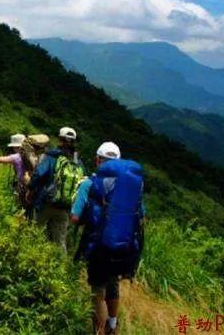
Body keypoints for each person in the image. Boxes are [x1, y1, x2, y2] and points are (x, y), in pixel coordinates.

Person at [70, 142, 145, 335]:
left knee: (97, 290)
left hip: (98, 247)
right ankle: (113, 325)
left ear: (98, 160)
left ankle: (100, 331)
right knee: (113, 284)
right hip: (124, 249)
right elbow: (142, 217)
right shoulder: (130, 190)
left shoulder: (89, 184)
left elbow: (75, 217)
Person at [27, 127, 84, 252]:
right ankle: (60, 268)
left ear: (59, 139)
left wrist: (30, 189)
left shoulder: (52, 156)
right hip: (65, 206)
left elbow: (39, 174)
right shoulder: (77, 161)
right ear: (74, 142)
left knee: (34, 233)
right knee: (60, 241)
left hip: (46, 202)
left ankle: (31, 260)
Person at [0, 134, 30, 212]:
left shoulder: (16, 157)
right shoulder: (31, 155)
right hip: (31, 187)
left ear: (16, 147)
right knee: (28, 210)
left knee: (19, 209)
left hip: (22, 188)